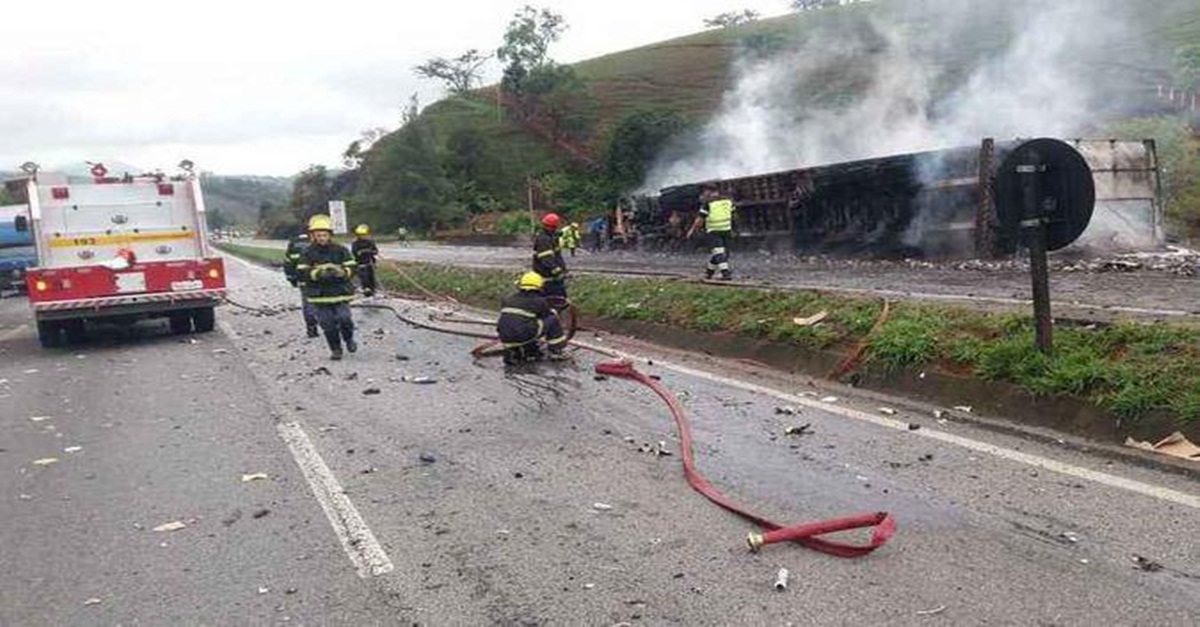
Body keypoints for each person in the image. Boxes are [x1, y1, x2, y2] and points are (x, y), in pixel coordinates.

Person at [296, 215, 359, 360]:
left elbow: (352, 266)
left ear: (330, 235)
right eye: (318, 235)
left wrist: (343, 272)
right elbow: (301, 272)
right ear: (313, 236)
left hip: (341, 293)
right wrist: (318, 273)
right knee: (327, 324)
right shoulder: (307, 252)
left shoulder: (341, 250)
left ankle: (348, 339)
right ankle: (336, 349)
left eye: (324, 235)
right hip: (319, 296)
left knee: (345, 319)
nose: (322, 238)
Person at [496, 272, 569, 365]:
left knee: (526, 322)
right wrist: (557, 310)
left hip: (504, 337)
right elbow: (547, 316)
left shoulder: (508, 299)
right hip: (522, 335)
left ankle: (522, 350)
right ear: (539, 287)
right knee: (552, 319)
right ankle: (557, 351)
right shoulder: (539, 301)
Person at [685, 184, 736, 280]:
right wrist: (734, 229)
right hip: (726, 230)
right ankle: (709, 273)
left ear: (708, 191)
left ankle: (725, 274)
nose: (704, 194)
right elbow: (733, 216)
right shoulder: (728, 201)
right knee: (719, 253)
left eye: (705, 192)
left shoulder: (708, 204)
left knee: (719, 253)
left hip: (713, 231)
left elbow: (699, 219)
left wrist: (692, 230)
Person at [283, 232, 319, 338]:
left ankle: (311, 329)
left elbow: (288, 263)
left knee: (308, 304)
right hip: (320, 279)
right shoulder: (317, 240)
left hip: (304, 280)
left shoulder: (293, 244)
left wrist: (292, 279)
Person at [533, 213, 568, 310]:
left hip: (552, 277)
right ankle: (551, 320)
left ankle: (555, 319)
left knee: (560, 301)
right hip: (546, 277)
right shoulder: (544, 239)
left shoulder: (552, 238)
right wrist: (558, 271)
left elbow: (557, 256)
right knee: (553, 301)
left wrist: (563, 269)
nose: (553, 229)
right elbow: (547, 260)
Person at [351, 224, 379, 296]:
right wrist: (362, 252)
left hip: (371, 263)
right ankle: (366, 289)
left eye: (364, 234)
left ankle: (373, 290)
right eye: (361, 235)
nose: (363, 236)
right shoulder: (355, 243)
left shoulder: (370, 242)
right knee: (364, 277)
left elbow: (375, 251)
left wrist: (370, 251)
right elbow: (355, 253)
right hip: (361, 263)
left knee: (371, 277)